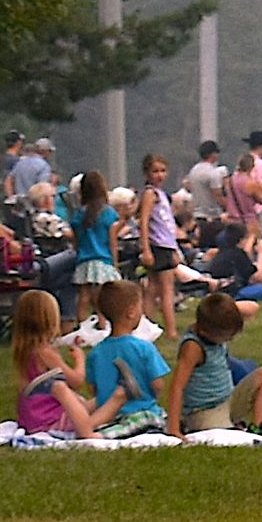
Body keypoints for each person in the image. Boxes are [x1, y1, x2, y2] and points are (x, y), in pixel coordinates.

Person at [11, 289, 127, 438]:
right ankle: (118, 397)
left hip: (34, 418)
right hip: (50, 420)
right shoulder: (46, 352)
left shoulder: (25, 350)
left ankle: (119, 392)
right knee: (100, 402)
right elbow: (76, 381)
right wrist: (80, 359)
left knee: (94, 400)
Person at [166, 293, 262, 438]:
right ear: (206, 331)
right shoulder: (193, 347)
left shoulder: (214, 322)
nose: (230, 339)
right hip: (204, 411)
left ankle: (258, 428)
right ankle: (224, 426)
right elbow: (177, 387)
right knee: (226, 437)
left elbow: (252, 307)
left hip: (228, 400)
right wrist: (174, 428)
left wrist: (225, 307)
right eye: (227, 336)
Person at [84, 280, 169, 438]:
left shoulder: (96, 352)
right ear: (131, 312)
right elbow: (158, 384)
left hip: (107, 418)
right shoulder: (144, 348)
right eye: (140, 307)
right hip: (142, 412)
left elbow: (93, 389)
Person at [70, 171, 125, 325]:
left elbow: (76, 241)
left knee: (84, 296)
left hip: (84, 261)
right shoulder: (108, 213)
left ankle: (82, 326)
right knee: (102, 298)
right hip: (104, 259)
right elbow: (112, 241)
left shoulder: (79, 215)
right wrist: (115, 264)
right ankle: (103, 325)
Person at [136, 154, 181, 340]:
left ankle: (146, 327)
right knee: (166, 289)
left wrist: (175, 248)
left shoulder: (162, 195)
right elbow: (144, 221)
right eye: (155, 171)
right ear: (147, 173)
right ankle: (171, 330)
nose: (160, 175)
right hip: (158, 246)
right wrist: (146, 249)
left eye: (163, 171)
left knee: (153, 288)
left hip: (167, 245)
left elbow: (168, 225)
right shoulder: (150, 194)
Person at [184, 140, 228, 248]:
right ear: (213, 154)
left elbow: (189, 187)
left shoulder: (194, 171)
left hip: (197, 216)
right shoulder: (213, 173)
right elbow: (217, 195)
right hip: (212, 218)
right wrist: (229, 207)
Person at [222, 152, 262, 246]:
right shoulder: (250, 183)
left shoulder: (230, 181)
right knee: (251, 245)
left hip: (232, 220)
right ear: (252, 167)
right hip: (248, 221)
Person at [9, 139, 55, 204]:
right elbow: (42, 188)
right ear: (45, 151)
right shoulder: (44, 166)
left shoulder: (20, 163)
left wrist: (11, 197)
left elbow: (9, 180)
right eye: (50, 151)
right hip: (34, 203)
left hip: (19, 202)